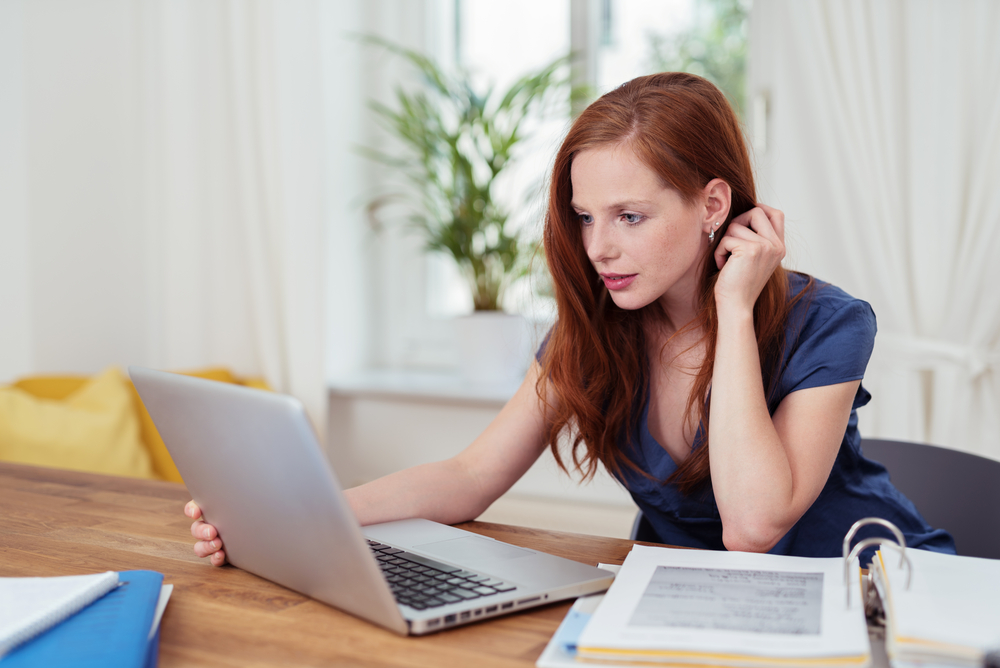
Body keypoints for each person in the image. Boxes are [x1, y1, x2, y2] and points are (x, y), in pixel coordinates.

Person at [186, 72, 954, 566]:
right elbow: (467, 477)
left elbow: (752, 525)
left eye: (629, 215)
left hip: (874, 604)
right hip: (704, 612)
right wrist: (297, 515)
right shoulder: (595, 333)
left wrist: (731, 305)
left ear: (713, 205)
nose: (600, 248)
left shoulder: (830, 321)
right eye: (586, 217)